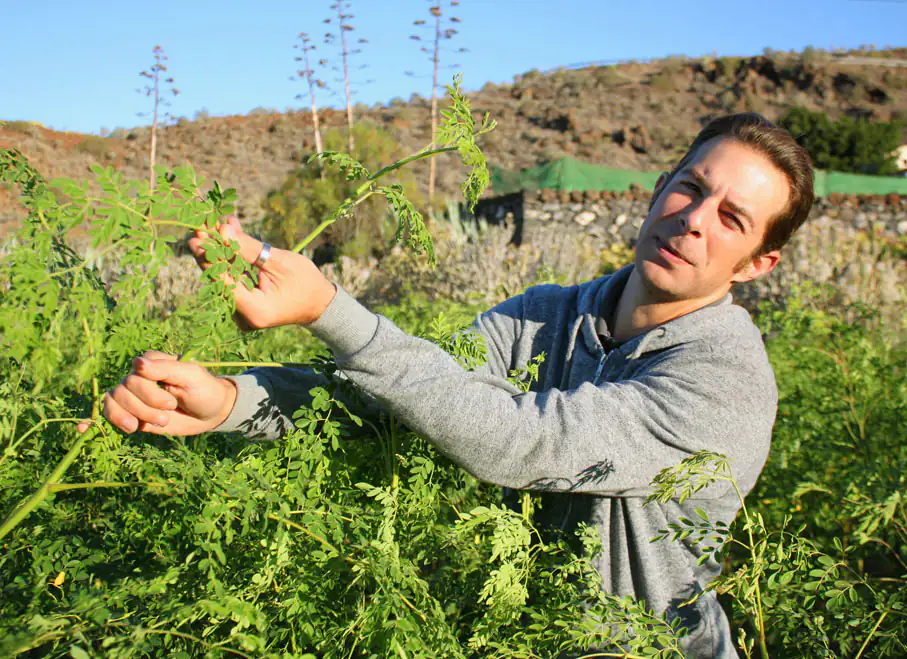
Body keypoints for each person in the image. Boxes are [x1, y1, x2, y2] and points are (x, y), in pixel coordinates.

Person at [82, 113, 814, 657]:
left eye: (731, 218)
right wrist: (228, 400)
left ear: (757, 264)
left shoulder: (724, 378)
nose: (693, 221)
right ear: (658, 189)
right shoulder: (544, 315)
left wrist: (328, 309)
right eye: (690, 188)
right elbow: (400, 394)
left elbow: (525, 441)